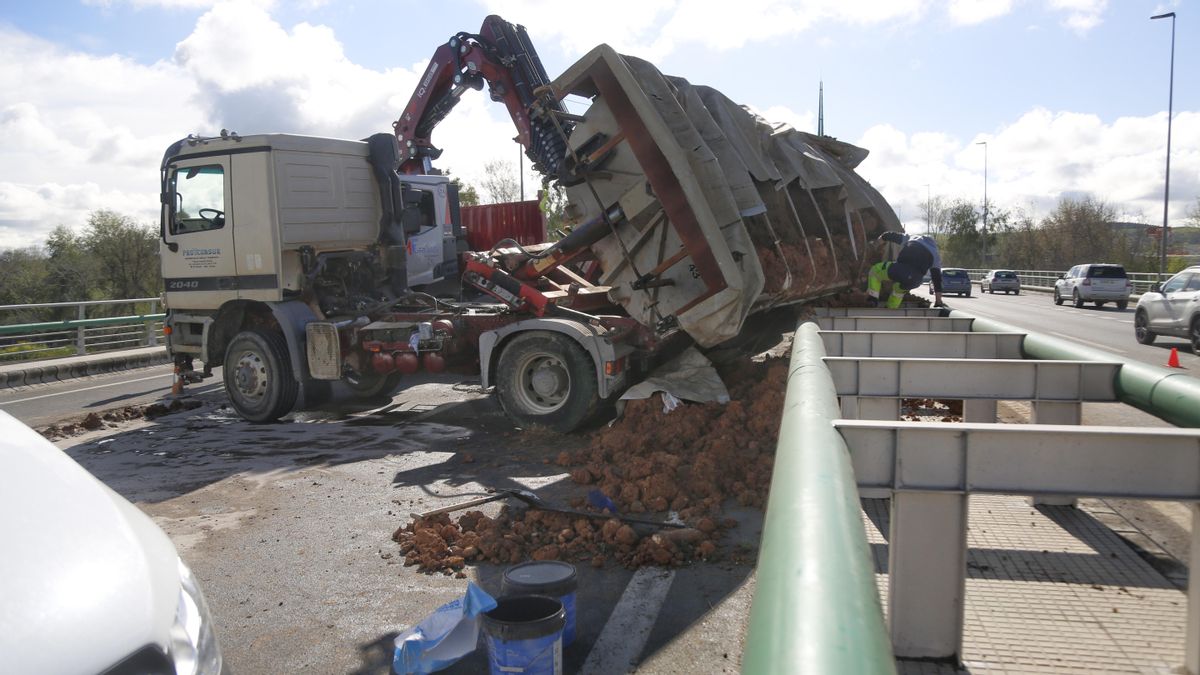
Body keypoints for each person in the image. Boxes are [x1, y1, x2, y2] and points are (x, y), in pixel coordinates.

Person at [867, 231, 943, 308]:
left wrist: (875, 245)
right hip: (915, 281)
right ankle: (891, 308)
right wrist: (938, 301)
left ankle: (872, 300)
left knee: (875, 271)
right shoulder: (935, 254)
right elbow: (937, 280)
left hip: (902, 270)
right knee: (898, 289)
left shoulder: (913, 238)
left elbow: (887, 235)